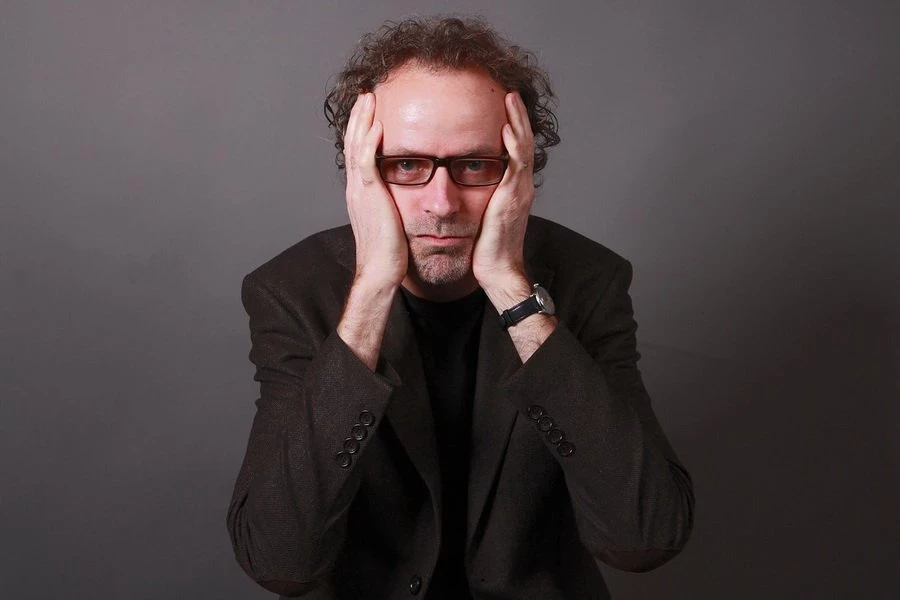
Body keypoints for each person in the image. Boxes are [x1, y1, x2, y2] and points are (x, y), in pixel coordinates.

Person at [227, 16, 694, 600]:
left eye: (474, 165)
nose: (442, 203)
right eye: (405, 166)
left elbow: (644, 538)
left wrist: (512, 290)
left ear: (520, 170)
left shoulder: (588, 282)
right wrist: (372, 289)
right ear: (361, 171)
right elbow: (280, 562)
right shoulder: (292, 292)